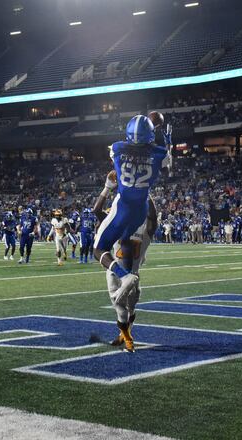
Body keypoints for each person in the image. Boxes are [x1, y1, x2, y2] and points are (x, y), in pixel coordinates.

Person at [93, 115, 171, 302]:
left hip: (124, 206)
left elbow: (127, 147)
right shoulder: (160, 153)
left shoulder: (117, 148)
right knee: (125, 240)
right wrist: (166, 141)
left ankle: (125, 276)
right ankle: (131, 278)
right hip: (141, 208)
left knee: (98, 249)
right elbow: (167, 165)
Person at [93, 176, 157, 353]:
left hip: (133, 275)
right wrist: (107, 189)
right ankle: (128, 338)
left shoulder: (143, 229)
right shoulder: (120, 226)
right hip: (116, 273)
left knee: (130, 309)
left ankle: (126, 333)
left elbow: (153, 218)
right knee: (121, 311)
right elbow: (97, 211)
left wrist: (145, 194)